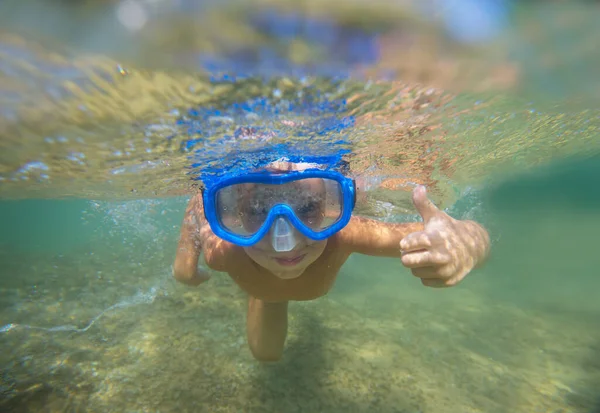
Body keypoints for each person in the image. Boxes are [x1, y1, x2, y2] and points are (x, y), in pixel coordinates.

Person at [173, 159, 490, 362]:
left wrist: (465, 245)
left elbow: (468, 234)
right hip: (263, 291)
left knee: (265, 352)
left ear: (331, 205)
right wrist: (185, 268)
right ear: (233, 215)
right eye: (257, 211)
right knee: (265, 355)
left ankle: (267, 293)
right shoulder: (222, 251)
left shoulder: (347, 234)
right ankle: (267, 297)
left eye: (308, 206)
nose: (286, 243)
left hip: (262, 277)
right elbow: (199, 211)